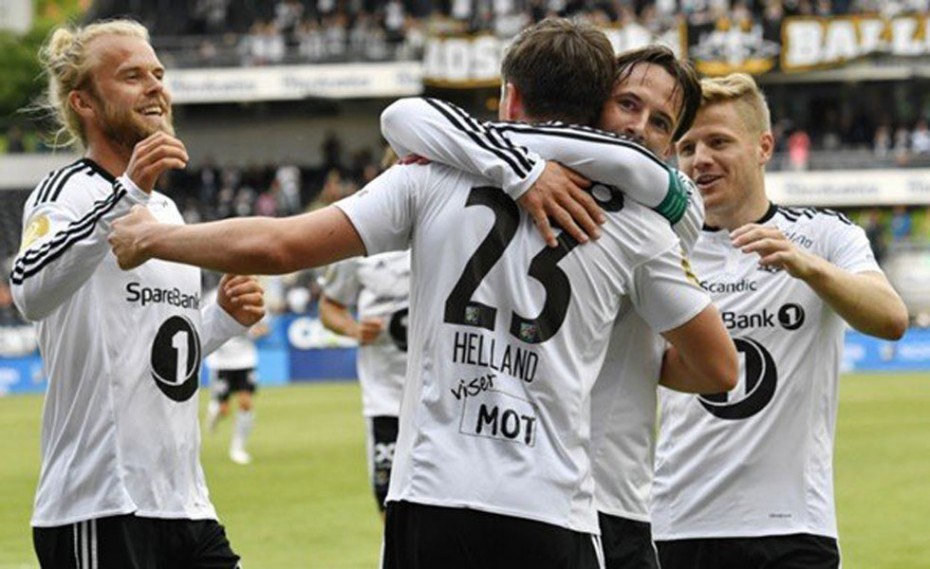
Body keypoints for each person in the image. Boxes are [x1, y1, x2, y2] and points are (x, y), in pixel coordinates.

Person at [108, 18, 737, 569]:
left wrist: (157, 238)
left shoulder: (430, 174)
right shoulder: (639, 223)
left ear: (509, 96)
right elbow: (720, 369)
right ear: (595, 105)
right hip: (553, 507)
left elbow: (279, 246)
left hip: (433, 494)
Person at [376, 44, 709, 569]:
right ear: (591, 102)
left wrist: (511, 157)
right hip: (549, 494)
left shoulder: (653, 217)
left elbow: (405, 117)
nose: (638, 127)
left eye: (660, 123)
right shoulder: (647, 209)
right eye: (627, 104)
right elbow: (404, 117)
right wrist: (522, 167)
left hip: (601, 495)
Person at [10, 20, 264, 568]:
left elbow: (157, 353)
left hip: (184, 504)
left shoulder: (166, 211)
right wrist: (124, 196)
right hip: (99, 506)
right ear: (84, 102)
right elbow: (29, 290)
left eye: (158, 74)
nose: (155, 87)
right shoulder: (66, 192)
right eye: (132, 76)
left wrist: (221, 318)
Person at [652, 73, 908, 569]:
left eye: (718, 142)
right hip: (677, 523)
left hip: (793, 525)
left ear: (764, 147)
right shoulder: (660, 248)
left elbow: (891, 318)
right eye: (687, 147)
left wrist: (808, 267)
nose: (700, 159)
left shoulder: (824, 235)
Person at [318, 250, 411, 518]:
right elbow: (329, 306)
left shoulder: (443, 235)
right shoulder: (357, 248)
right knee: (390, 508)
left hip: (443, 396)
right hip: (385, 399)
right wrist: (354, 329)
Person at [205, 305, 269, 465]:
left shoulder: (254, 300)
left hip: (246, 360)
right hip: (222, 363)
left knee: (246, 403)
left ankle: (238, 448)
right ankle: (215, 409)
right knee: (224, 409)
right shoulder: (214, 299)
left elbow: (264, 327)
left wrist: (255, 332)